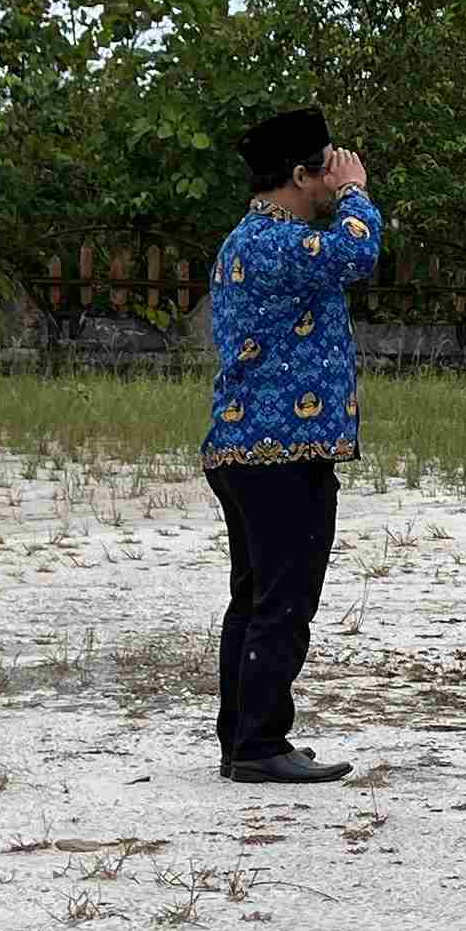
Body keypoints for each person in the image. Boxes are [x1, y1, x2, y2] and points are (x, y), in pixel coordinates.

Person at [205, 106, 381, 787]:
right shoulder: (276, 242)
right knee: (281, 602)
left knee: (255, 601)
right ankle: (256, 743)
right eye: (327, 166)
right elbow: (358, 251)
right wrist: (356, 192)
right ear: (301, 175)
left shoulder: (252, 241)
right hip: (278, 452)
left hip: (253, 449)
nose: (334, 177)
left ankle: (248, 738)